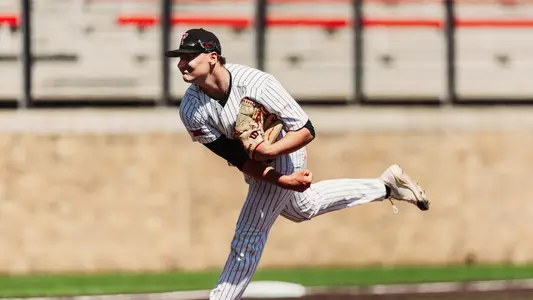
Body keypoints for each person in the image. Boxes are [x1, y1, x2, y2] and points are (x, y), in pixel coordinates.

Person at [165, 28, 430, 300]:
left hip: (286, 151)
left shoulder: (257, 84)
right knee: (304, 208)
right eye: (179, 56)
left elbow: (305, 130)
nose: (181, 63)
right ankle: (385, 186)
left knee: (248, 235)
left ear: (212, 57)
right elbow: (238, 158)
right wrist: (282, 180)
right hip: (259, 162)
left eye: (189, 56)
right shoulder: (191, 109)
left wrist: (271, 150)